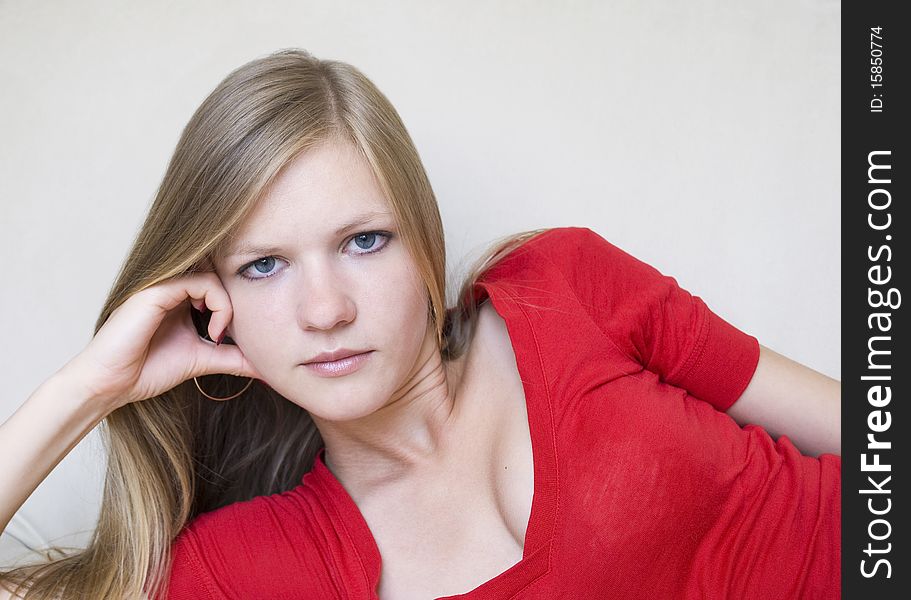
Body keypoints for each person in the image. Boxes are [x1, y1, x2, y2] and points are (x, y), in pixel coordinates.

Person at [0, 48, 840, 600]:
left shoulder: (558, 287)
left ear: (424, 246)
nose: (325, 309)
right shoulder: (249, 567)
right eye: (264, 265)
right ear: (210, 305)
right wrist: (90, 386)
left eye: (363, 241)